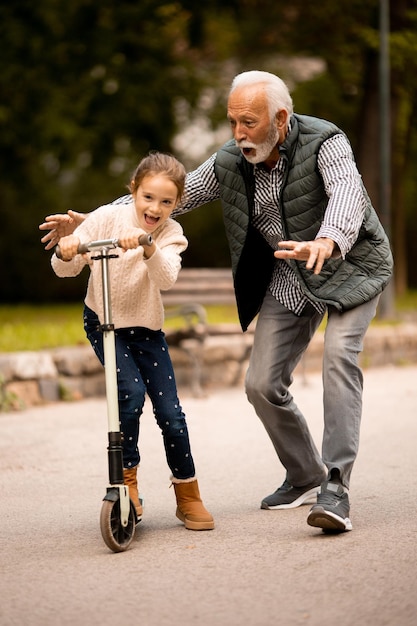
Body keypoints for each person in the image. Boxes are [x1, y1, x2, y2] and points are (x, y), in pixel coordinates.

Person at [40, 70, 393, 534]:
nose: (238, 133)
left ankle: (335, 486)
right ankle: (304, 471)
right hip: (290, 277)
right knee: (261, 384)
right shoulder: (233, 159)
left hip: (350, 267)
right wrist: (104, 218)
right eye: (232, 122)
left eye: (248, 122)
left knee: (338, 359)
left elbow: (347, 192)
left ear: (281, 118)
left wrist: (328, 239)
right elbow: (173, 197)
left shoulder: (327, 141)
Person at [49, 151, 214, 531]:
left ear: (177, 203)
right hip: (103, 321)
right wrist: (68, 248)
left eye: (166, 201)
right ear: (134, 192)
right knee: (130, 393)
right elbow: (65, 269)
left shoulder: (171, 234)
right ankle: (127, 484)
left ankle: (188, 494)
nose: (155, 208)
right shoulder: (107, 216)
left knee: (171, 414)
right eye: (148, 197)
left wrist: (147, 245)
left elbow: (167, 278)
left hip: (147, 330)